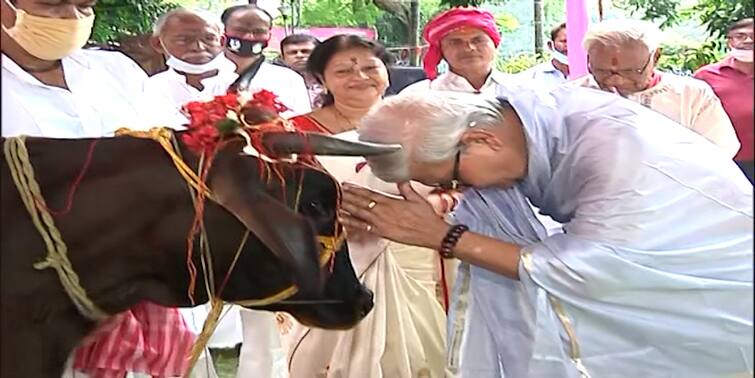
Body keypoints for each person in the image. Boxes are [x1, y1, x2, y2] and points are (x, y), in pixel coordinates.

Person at [338, 87, 753, 377]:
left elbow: (590, 270)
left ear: (480, 139)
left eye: (452, 178)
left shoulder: (618, 155)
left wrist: (445, 238)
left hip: (715, 298)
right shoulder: (520, 113)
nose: (461, 192)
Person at [1, 1, 194, 378]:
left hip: (139, 280)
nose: (71, 18)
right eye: (52, 4)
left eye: (84, 5)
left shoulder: (115, 71)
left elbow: (176, 154)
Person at [283, 34, 448, 378]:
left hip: (413, 247)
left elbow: (460, 185)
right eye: (343, 70)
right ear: (321, 79)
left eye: (370, 67)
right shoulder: (295, 132)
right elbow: (281, 199)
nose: (359, 77)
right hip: (336, 253)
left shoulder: (424, 121)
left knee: (423, 342)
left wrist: (436, 201)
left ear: (386, 71)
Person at [219, 5, 312, 378]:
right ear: (224, 30)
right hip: (208, 189)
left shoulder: (284, 79)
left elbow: (297, 130)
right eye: (243, 28)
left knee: (262, 286)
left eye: (261, 30)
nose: (252, 36)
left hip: (268, 189)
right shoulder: (208, 74)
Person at [570, 19, 740, 157]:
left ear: (656, 57)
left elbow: (719, 151)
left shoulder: (692, 95)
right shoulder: (572, 97)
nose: (617, 81)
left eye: (630, 71)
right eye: (602, 71)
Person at [146, 8, 238, 120]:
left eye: (209, 39)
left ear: (222, 42)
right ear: (158, 44)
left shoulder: (244, 82)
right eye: (183, 40)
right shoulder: (154, 88)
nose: (198, 47)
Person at [402, 7, 517, 94]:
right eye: (456, 42)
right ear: (440, 49)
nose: (469, 48)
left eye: (477, 40)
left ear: (495, 43)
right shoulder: (419, 95)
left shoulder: (522, 92)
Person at [220, 4, 310, 116]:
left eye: (258, 31)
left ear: (269, 36)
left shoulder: (288, 79)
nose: (249, 37)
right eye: (240, 30)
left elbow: (301, 124)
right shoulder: (202, 75)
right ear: (224, 32)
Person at [695, 18, 754, 183]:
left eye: (753, 36)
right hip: (726, 160)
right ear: (730, 41)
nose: (749, 41)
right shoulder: (705, 76)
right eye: (741, 36)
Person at [516, 22, 569, 87]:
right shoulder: (534, 76)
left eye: (576, 41)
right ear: (550, 45)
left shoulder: (584, 77)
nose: (569, 45)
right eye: (564, 41)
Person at [279, 33, 324, 108]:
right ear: (282, 57)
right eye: (292, 52)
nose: (299, 55)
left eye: (305, 51)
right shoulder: (273, 81)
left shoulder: (332, 79)